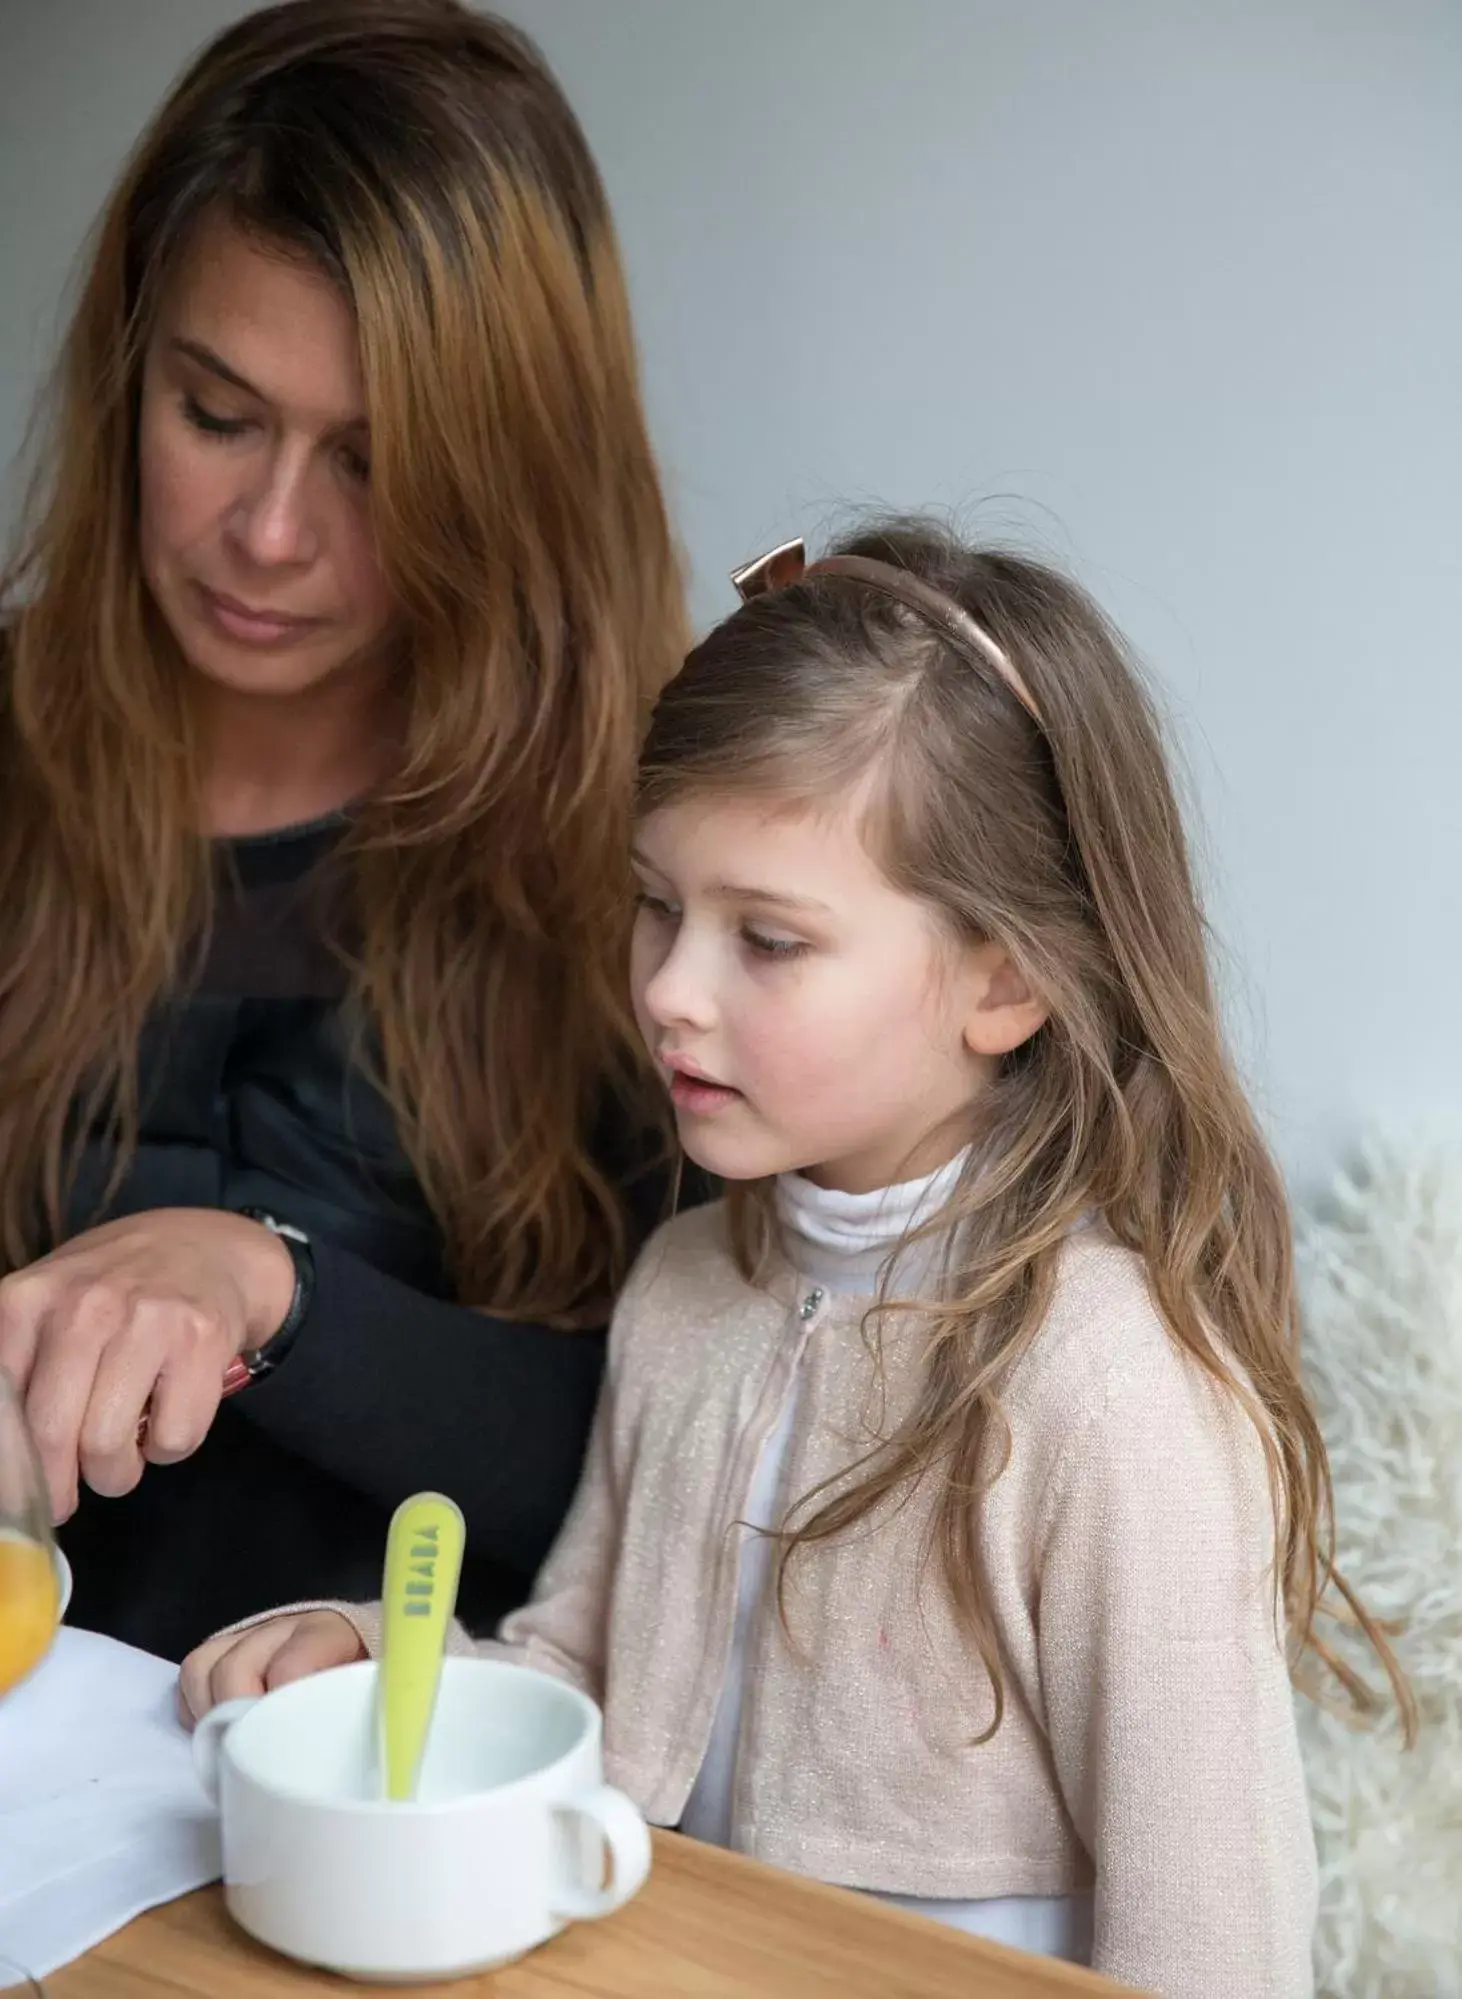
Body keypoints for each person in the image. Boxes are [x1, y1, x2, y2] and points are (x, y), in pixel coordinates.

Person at [182, 520, 1411, 1993]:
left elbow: (1217, 1930)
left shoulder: (1114, 1389)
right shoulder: (687, 1286)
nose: (670, 993)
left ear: (1002, 980)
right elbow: (589, 1684)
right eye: (657, 906)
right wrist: (381, 1651)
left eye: (766, 939)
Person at [0, 0, 688, 1661]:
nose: (270, 535)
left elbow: (683, 1482)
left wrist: (276, 1282)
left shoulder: (658, 861)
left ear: (506, 474)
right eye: (216, 416)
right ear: (126, 366)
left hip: (420, 1807)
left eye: (375, 464)